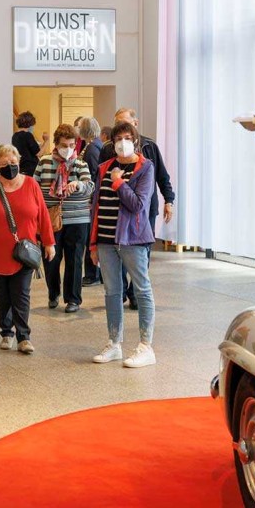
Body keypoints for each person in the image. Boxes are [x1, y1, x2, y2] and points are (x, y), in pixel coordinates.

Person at [0, 145, 56, 353]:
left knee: (21, 294)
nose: (10, 167)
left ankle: (24, 336)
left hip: (23, 251)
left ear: (19, 163)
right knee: (2, 295)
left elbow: (42, 215)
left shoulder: (31, 185)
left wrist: (49, 242)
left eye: (13, 163)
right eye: (5, 164)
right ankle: (6, 332)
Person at [89, 121, 157, 368]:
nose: (122, 142)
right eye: (118, 138)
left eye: (128, 137)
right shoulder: (104, 167)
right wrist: (93, 242)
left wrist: (119, 183)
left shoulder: (145, 168)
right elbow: (96, 206)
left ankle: (145, 346)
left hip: (134, 239)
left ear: (135, 141)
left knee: (142, 289)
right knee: (112, 292)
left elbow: (139, 205)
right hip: (106, 240)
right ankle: (114, 343)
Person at [100, 108, 176, 309]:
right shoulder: (108, 149)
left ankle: (135, 293)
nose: (121, 131)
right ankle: (122, 290)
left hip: (144, 209)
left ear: (135, 124)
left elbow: (162, 176)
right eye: (117, 125)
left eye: (125, 123)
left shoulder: (149, 146)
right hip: (116, 210)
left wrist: (169, 200)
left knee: (141, 252)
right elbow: (100, 179)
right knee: (118, 250)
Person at [34, 124, 94, 313]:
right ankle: (53, 293)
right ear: (56, 144)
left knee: (75, 259)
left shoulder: (80, 164)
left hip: (77, 219)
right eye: (63, 145)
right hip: (50, 219)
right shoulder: (44, 163)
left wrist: (77, 185)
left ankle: (73, 299)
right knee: (51, 258)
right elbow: (34, 189)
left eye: (70, 144)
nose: (67, 149)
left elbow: (89, 186)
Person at [78, 117, 104, 286]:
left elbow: (94, 175)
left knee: (90, 238)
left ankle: (92, 274)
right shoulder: (95, 145)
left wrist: (90, 198)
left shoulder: (92, 148)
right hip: (92, 198)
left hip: (91, 199)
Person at [12, 111, 41, 176]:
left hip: (21, 167)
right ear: (29, 124)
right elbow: (39, 153)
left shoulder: (15, 136)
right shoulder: (28, 135)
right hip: (30, 168)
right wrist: (46, 141)